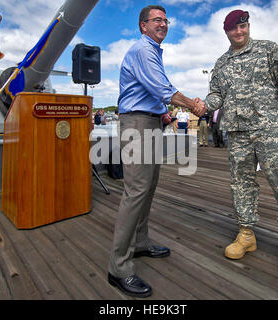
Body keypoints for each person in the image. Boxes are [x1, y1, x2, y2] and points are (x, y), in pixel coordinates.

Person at [108, 5, 205, 298]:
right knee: (136, 190)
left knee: (148, 187)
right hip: (136, 124)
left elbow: (153, 94)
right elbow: (163, 89)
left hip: (150, 122)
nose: (163, 24)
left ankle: (139, 242)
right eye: (157, 20)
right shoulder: (143, 50)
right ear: (143, 26)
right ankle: (118, 267)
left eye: (166, 19)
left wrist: (162, 113)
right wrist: (193, 105)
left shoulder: (152, 52)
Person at [204, 10, 278, 272]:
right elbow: (216, 95)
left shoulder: (269, 51)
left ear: (248, 26)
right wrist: (203, 104)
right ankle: (246, 234)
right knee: (241, 184)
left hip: (269, 130)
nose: (239, 32)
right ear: (226, 32)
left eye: (243, 26)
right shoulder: (221, 63)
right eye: (233, 29)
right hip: (238, 133)